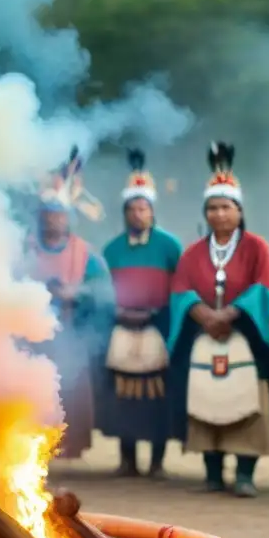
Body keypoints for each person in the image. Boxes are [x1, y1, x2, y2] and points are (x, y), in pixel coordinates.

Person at [168, 142, 269, 498]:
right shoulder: (192, 252)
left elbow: (264, 288)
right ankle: (213, 474)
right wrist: (204, 314)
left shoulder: (256, 247)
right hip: (203, 337)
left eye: (226, 207)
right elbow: (180, 290)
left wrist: (231, 313)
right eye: (213, 208)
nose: (219, 214)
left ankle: (246, 475)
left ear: (239, 210)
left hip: (245, 336)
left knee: (250, 398)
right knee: (203, 398)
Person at [26, 146, 113, 459]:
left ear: (68, 218)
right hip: (32, 336)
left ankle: (69, 443)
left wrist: (75, 294)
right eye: (48, 215)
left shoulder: (85, 253)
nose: (53, 221)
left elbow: (103, 291)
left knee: (71, 387)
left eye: (59, 215)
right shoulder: (26, 247)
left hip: (71, 331)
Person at [99, 149, 183, 477]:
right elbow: (103, 292)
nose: (138, 214)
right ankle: (127, 459)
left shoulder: (169, 246)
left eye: (144, 208)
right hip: (122, 327)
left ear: (152, 211)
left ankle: (158, 462)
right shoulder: (112, 250)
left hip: (157, 328)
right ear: (125, 212)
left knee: (157, 398)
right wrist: (120, 312)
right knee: (123, 397)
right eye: (132, 208)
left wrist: (158, 317)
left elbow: (180, 289)